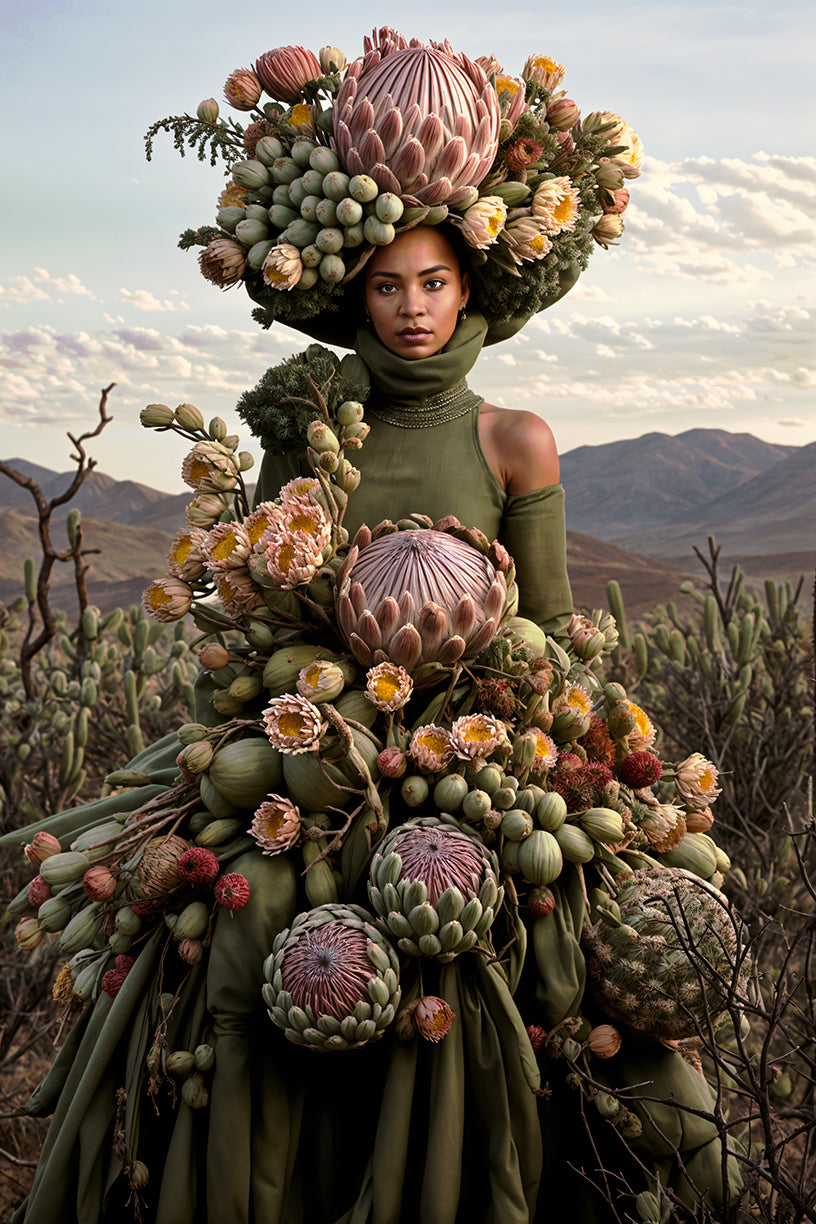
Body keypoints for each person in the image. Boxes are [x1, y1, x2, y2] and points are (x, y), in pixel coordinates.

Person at [4, 29, 738, 1224]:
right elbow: (271, 600)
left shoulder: (518, 440)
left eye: (434, 283)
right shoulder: (308, 427)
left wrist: (513, 688)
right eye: (388, 286)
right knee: (239, 947)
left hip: (492, 745)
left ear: (472, 287)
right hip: (322, 741)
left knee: (548, 954)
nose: (411, 308)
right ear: (356, 295)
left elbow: (552, 626)